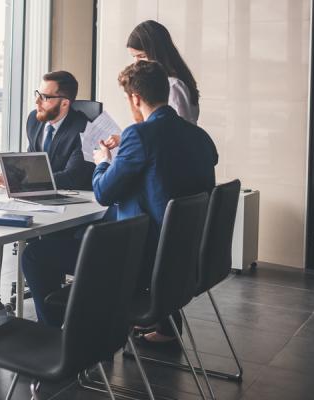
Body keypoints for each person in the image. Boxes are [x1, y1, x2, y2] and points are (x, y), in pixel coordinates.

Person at [0, 71, 118, 327]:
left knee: (41, 251)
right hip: (36, 197)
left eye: (45, 97)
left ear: (64, 102)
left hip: (72, 203)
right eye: (38, 94)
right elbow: (31, 161)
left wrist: (25, 182)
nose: (37, 102)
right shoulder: (34, 121)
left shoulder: (83, 129)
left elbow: (73, 175)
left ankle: (53, 319)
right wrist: (10, 176)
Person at [92, 60, 218, 347]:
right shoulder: (199, 136)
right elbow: (169, 176)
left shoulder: (138, 135)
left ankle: (81, 343)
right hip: (187, 254)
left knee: (40, 256)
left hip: (146, 257)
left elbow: (103, 193)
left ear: (135, 98)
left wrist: (102, 163)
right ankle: (164, 324)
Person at [126, 20, 201, 125]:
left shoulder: (173, 86)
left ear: (157, 53)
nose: (137, 63)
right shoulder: (163, 83)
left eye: (142, 56)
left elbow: (181, 134)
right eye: (134, 57)